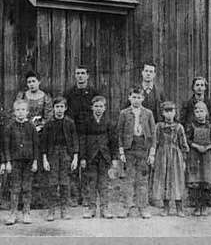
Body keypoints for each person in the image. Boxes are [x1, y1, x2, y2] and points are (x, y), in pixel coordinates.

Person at [117, 86, 156, 219]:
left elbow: (153, 134)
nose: (136, 100)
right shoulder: (124, 113)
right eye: (134, 97)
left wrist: (151, 153)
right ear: (129, 98)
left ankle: (143, 208)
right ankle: (126, 207)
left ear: (143, 99)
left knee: (142, 180)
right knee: (128, 179)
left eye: (139, 97)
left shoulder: (148, 113)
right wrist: (121, 151)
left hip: (143, 148)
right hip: (129, 149)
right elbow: (119, 133)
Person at [64, 65, 99, 205]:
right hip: (73, 133)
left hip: (88, 133)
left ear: (87, 75)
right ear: (75, 75)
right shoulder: (69, 93)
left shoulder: (93, 93)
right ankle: (74, 196)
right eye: (78, 73)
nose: (80, 76)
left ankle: (86, 197)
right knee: (72, 166)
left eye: (83, 73)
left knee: (86, 166)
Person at [79, 95, 118, 219]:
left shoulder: (109, 122)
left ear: (105, 108)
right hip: (91, 157)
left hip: (104, 156)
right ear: (92, 107)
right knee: (91, 183)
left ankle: (104, 208)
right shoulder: (86, 122)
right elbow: (82, 141)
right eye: (96, 106)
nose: (98, 109)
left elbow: (113, 142)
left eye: (101, 106)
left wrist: (114, 159)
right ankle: (91, 208)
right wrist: (83, 157)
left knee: (104, 183)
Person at [41, 96, 79, 221]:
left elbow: (74, 141)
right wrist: (45, 159)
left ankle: (65, 210)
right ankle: (51, 211)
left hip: (66, 154)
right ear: (53, 108)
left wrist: (75, 157)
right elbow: (44, 143)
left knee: (65, 183)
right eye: (57, 107)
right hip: (52, 154)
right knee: (52, 183)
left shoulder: (70, 123)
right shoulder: (49, 124)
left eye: (62, 107)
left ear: (65, 108)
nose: (59, 109)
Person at [4, 98, 39, 225]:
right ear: (14, 112)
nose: (20, 112)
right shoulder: (9, 127)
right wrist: (8, 161)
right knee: (15, 187)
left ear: (27, 112)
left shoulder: (31, 127)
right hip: (15, 162)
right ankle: (13, 213)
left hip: (28, 162)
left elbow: (36, 145)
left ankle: (26, 212)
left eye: (23, 110)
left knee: (27, 187)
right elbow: (6, 146)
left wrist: (35, 161)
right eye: (18, 110)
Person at [150, 101, 189, 217]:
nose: (169, 114)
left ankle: (179, 208)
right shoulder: (158, 127)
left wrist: (184, 159)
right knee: (164, 179)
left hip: (176, 156)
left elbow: (184, 144)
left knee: (177, 180)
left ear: (175, 112)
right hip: (162, 156)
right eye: (166, 111)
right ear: (162, 113)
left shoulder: (179, 127)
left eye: (171, 111)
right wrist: (153, 155)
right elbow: (154, 142)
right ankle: (165, 207)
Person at [185, 101, 211, 216]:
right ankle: (197, 206)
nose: (199, 114)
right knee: (196, 182)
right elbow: (187, 140)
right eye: (197, 111)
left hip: (207, 156)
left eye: (202, 111)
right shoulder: (191, 126)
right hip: (195, 155)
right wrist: (196, 146)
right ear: (194, 113)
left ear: (206, 113)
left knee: (206, 182)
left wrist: (209, 146)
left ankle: (204, 206)